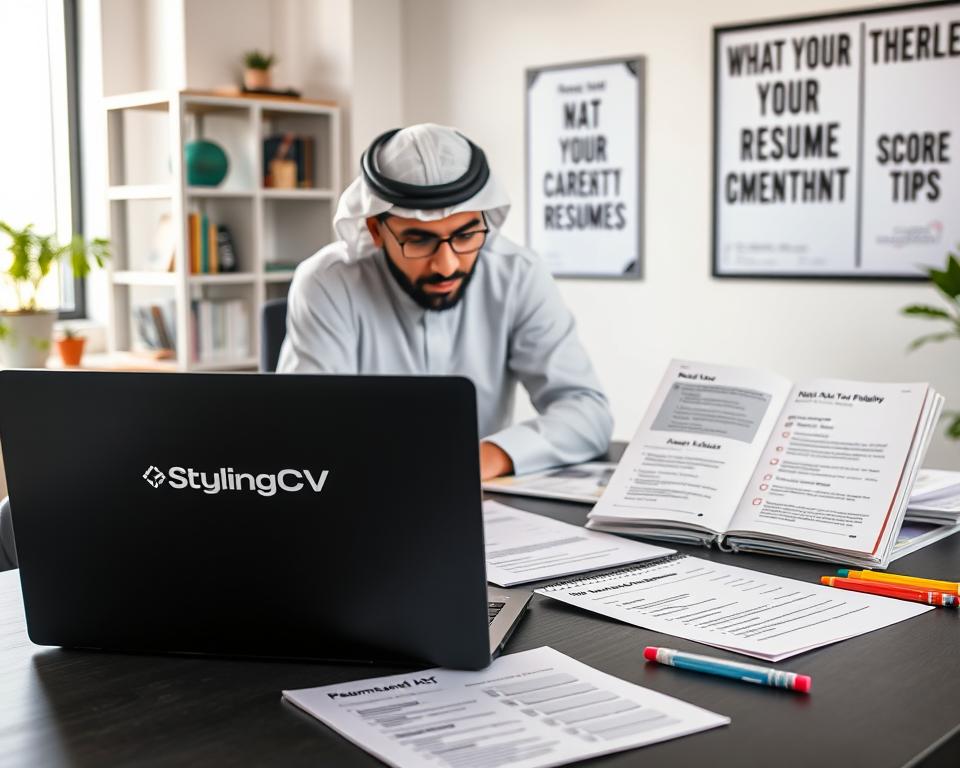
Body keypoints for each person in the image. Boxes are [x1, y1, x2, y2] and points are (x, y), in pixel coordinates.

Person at [278, 124, 612, 480]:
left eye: (466, 235)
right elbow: (304, 427)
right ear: (376, 230)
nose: (447, 266)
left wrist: (485, 457)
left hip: (482, 494)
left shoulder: (518, 274)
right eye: (419, 241)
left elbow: (586, 412)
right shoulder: (328, 283)